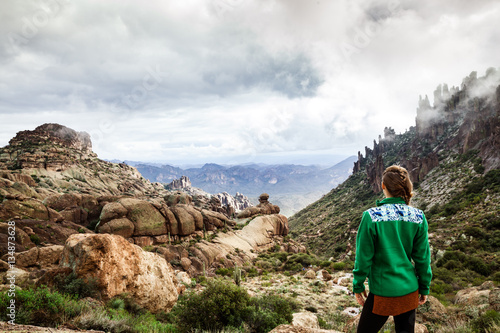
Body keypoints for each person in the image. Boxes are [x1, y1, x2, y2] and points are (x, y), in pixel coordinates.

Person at [352, 165, 432, 333]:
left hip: (382, 292)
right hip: (409, 290)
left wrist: (358, 285)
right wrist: (424, 286)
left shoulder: (371, 216)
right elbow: (423, 258)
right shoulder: (418, 217)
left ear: (383, 186)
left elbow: (363, 257)